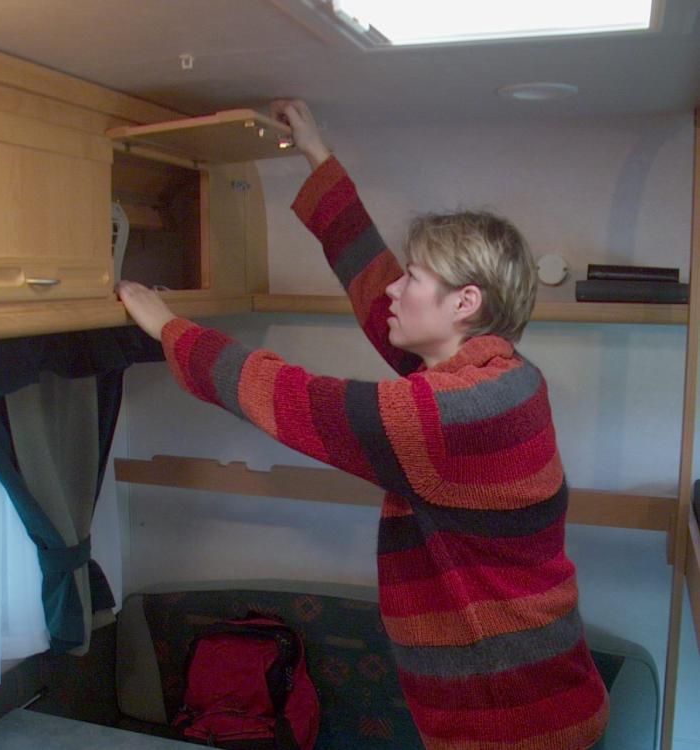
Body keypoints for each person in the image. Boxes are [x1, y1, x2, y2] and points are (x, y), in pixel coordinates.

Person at [115, 99, 608, 750]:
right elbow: (377, 289)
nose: (396, 290)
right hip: (530, 705)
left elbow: (293, 399)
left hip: (515, 723)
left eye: (415, 278)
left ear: (465, 302)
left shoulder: (453, 415)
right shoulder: (499, 377)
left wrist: (169, 329)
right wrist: (316, 155)